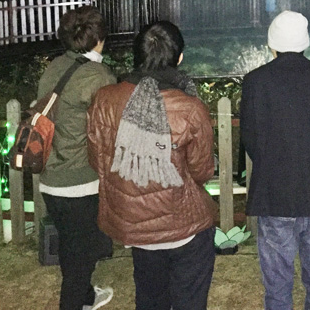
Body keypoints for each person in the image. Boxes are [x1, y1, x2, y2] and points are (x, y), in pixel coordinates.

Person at [87, 20, 217, 310]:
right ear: (179, 58)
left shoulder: (105, 99)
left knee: (149, 297)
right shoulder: (189, 108)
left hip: (135, 225)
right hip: (184, 227)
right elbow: (202, 171)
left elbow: (98, 161)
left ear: (137, 56)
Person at [240, 10, 310, 310]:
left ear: (272, 42)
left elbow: (250, 139)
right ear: (305, 42)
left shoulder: (255, 82)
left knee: (277, 284)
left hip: (274, 193)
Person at [38, 5, 117, 310]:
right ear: (100, 38)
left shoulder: (55, 66)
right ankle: (74, 302)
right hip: (80, 181)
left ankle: (86, 296)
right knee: (82, 254)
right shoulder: (97, 75)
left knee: (73, 247)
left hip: (50, 177)